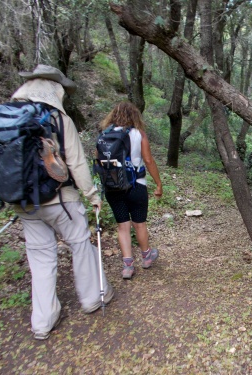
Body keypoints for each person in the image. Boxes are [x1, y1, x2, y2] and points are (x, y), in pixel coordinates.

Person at [11, 64, 114, 340]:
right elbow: (77, 163)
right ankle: (92, 297)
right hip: (61, 200)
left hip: (24, 201)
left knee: (40, 257)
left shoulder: (11, 119)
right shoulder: (59, 119)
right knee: (80, 244)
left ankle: (43, 321)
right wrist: (92, 196)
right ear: (54, 90)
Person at [99, 102, 163, 279]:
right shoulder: (138, 134)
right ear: (135, 116)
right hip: (136, 185)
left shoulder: (105, 135)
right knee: (139, 223)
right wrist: (158, 183)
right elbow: (148, 160)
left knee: (122, 226)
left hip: (113, 187)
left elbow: (99, 161)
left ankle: (128, 266)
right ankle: (146, 257)